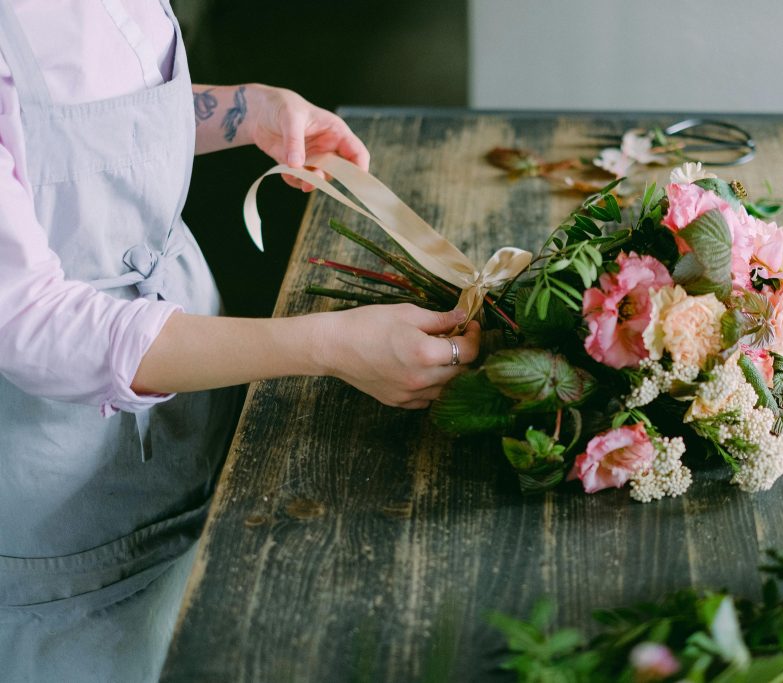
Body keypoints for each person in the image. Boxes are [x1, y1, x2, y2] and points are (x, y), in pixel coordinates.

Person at [0, 1, 480, 680]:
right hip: (60, 495)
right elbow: (30, 322)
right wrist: (326, 346)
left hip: (188, 413)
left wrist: (244, 109)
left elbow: (66, 131)